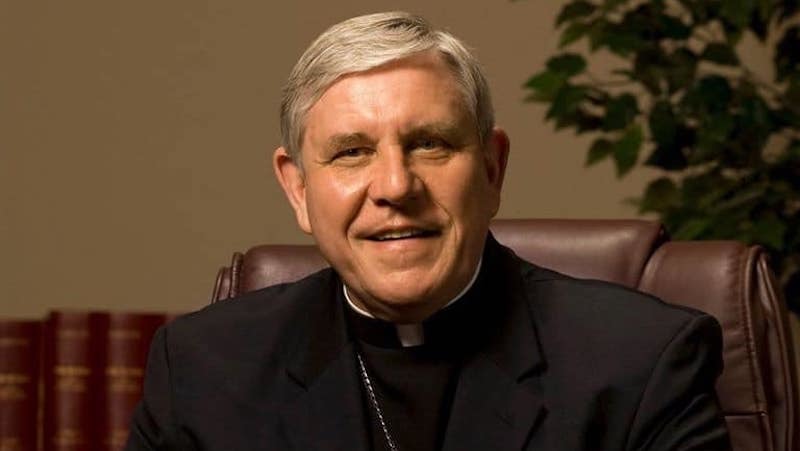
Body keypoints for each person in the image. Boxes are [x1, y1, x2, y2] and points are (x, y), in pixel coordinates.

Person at [125, 11, 731, 451]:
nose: (395, 185)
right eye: (352, 152)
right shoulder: (204, 370)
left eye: (430, 144)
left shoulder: (642, 363)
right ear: (298, 189)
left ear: (491, 169)